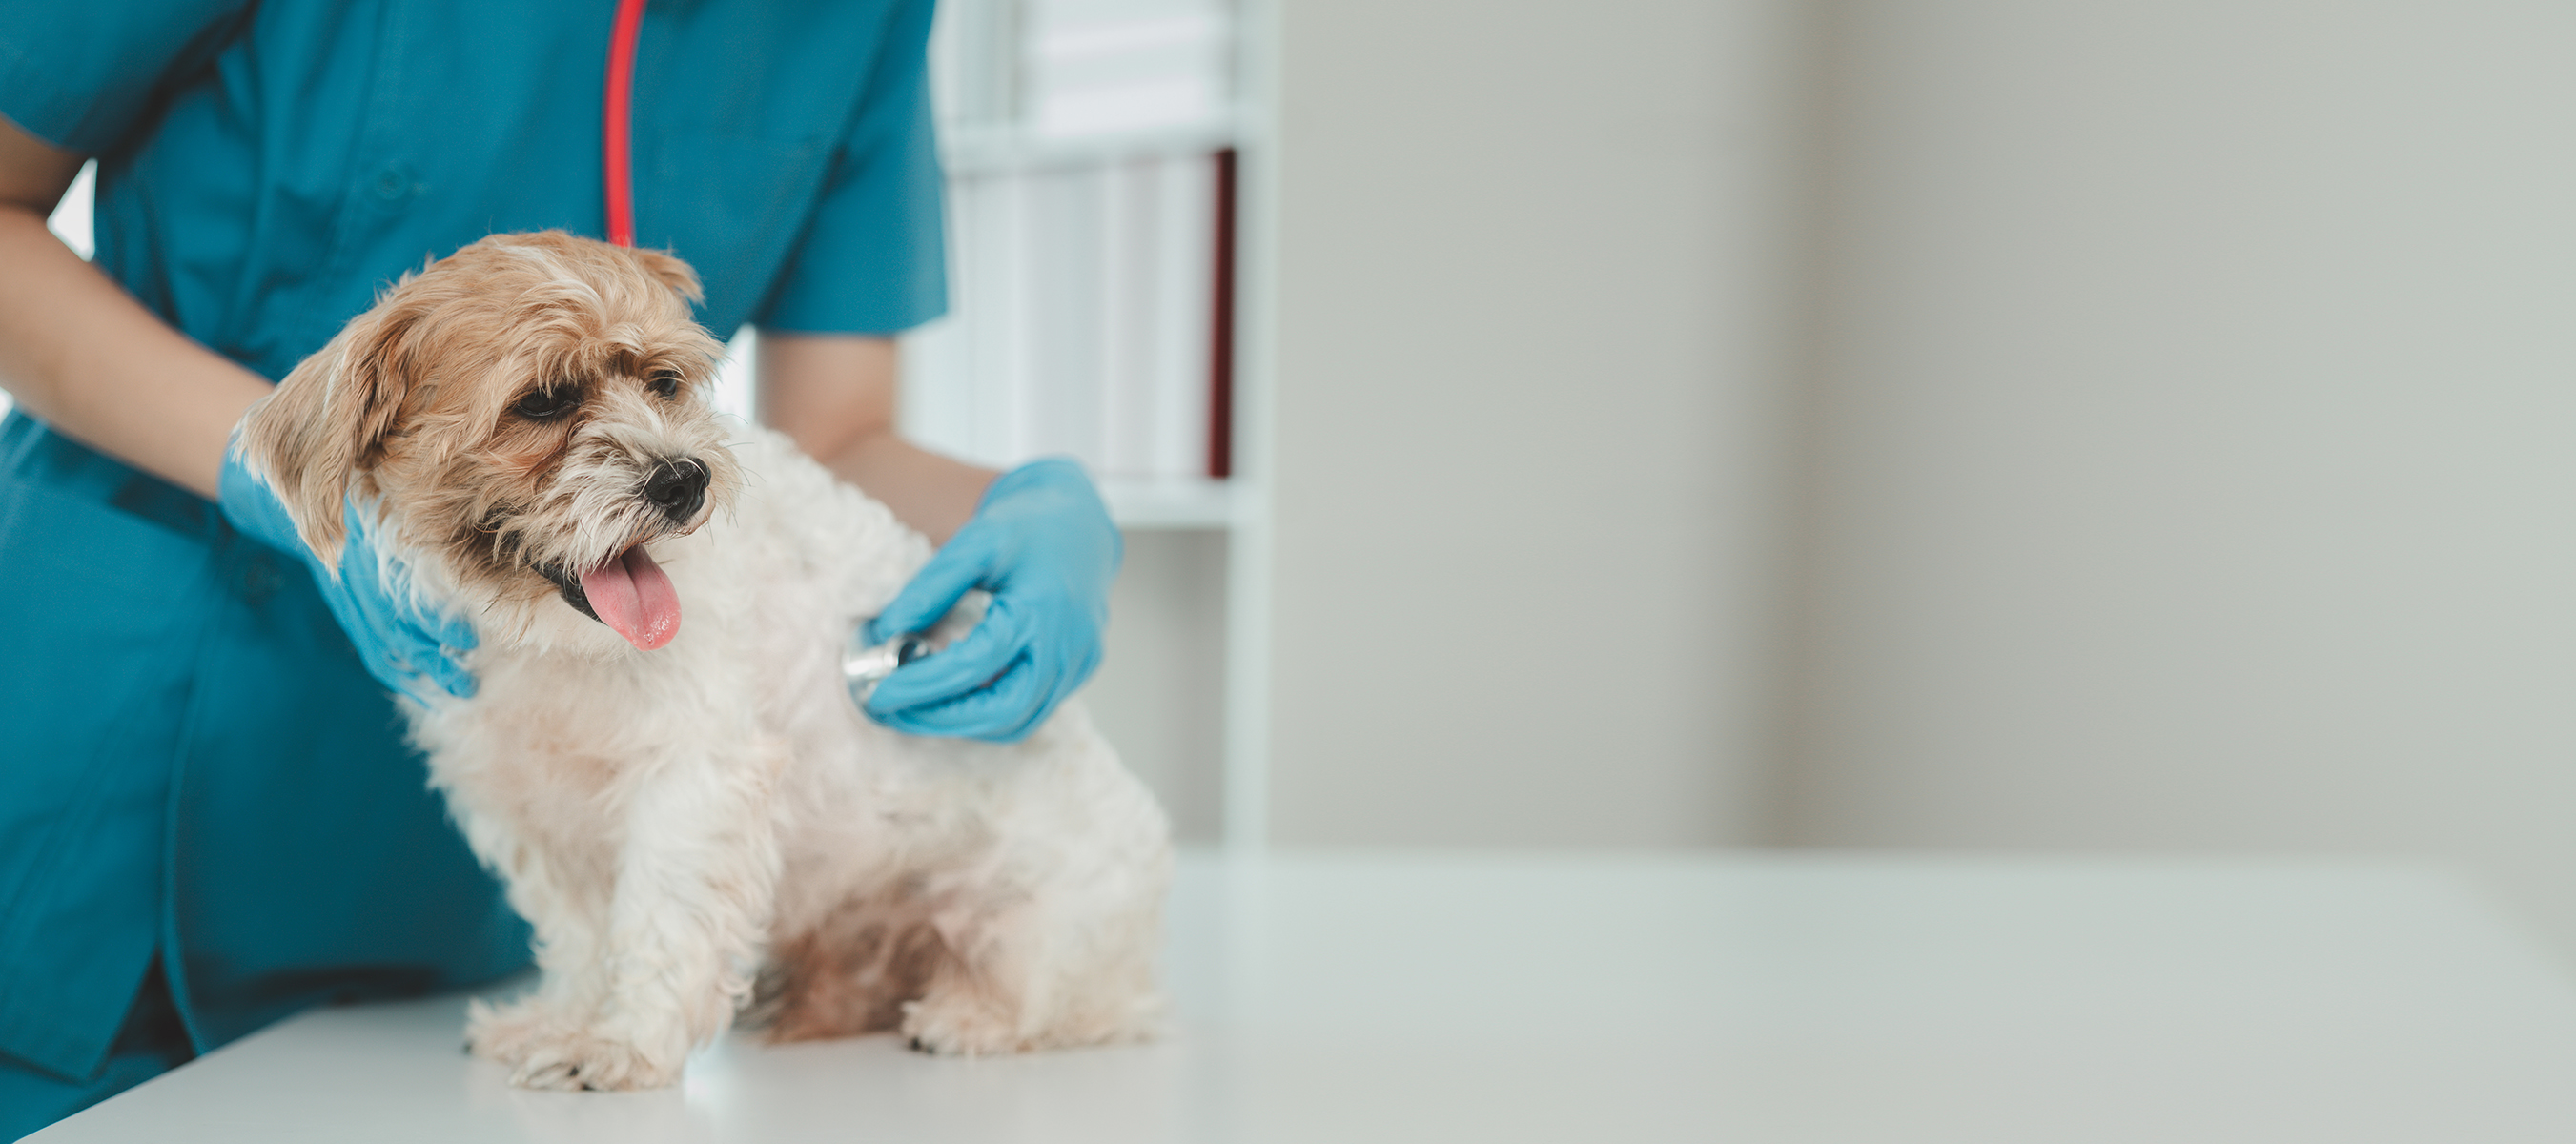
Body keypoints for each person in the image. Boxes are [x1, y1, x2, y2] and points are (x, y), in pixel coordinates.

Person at [0, 1, 1120, 1134]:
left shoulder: (857, 18)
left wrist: (1034, 503)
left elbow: (834, 438)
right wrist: (273, 463)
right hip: (122, 758)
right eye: (544, 400)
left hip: (456, 880)